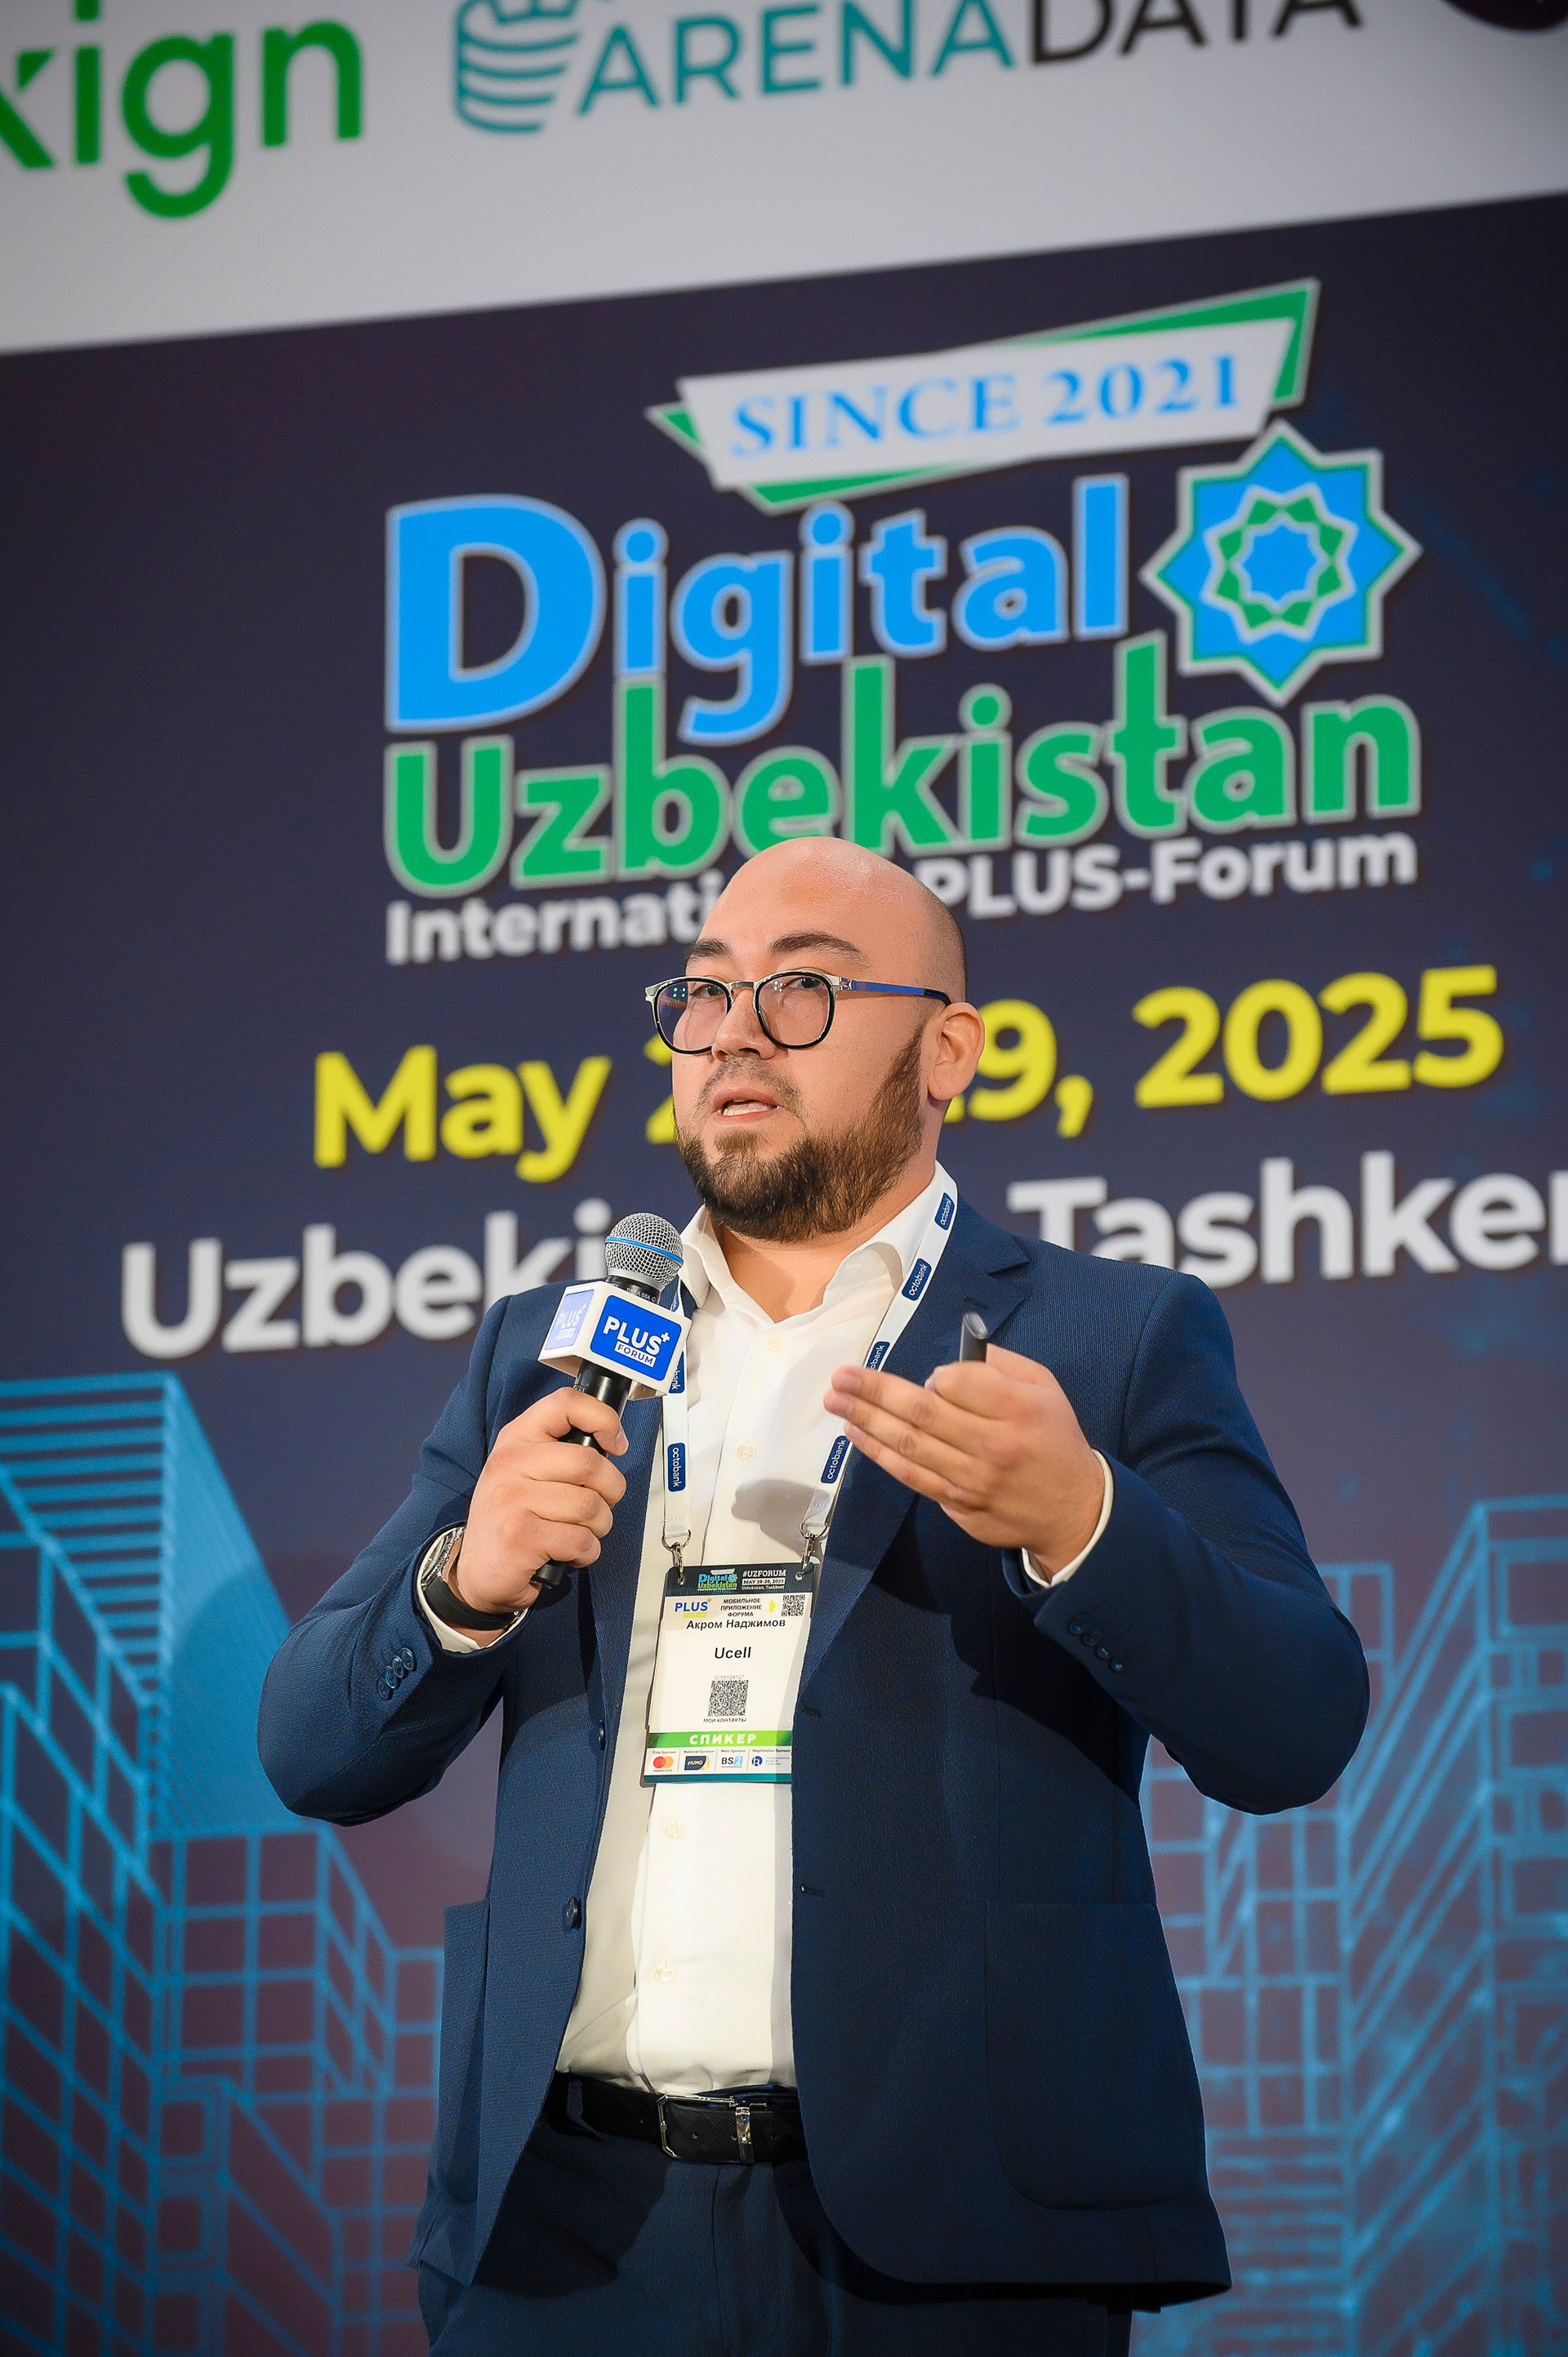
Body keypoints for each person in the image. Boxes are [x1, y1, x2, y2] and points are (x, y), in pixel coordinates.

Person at [259, 837, 1368, 2356]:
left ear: (948, 1050)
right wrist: (462, 1582)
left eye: (801, 991)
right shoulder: (550, 1347)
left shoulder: (1107, 1334)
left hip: (960, 2233)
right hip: (566, 2236)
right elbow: (311, 1747)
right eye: (704, 994)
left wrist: (1084, 1520)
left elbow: (1296, 1722)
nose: (732, 1033)